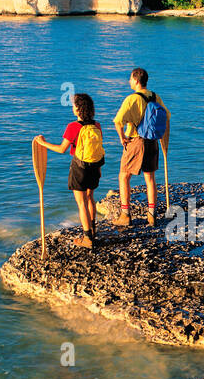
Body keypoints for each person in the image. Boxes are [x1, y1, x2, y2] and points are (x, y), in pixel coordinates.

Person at [36, 93, 105, 249]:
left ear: (79, 109)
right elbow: (98, 149)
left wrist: (43, 143)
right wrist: (99, 169)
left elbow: (62, 149)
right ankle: (93, 231)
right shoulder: (97, 125)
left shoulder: (73, 127)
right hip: (95, 167)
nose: (72, 108)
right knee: (90, 198)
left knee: (81, 202)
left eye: (74, 105)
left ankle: (87, 238)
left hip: (79, 168)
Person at [112, 67, 169, 227]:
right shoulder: (155, 97)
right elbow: (167, 116)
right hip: (152, 142)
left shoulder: (132, 99)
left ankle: (125, 215)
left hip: (136, 141)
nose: (129, 81)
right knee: (150, 178)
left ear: (136, 80)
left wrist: (122, 137)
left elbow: (118, 121)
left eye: (130, 79)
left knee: (124, 175)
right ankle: (151, 215)